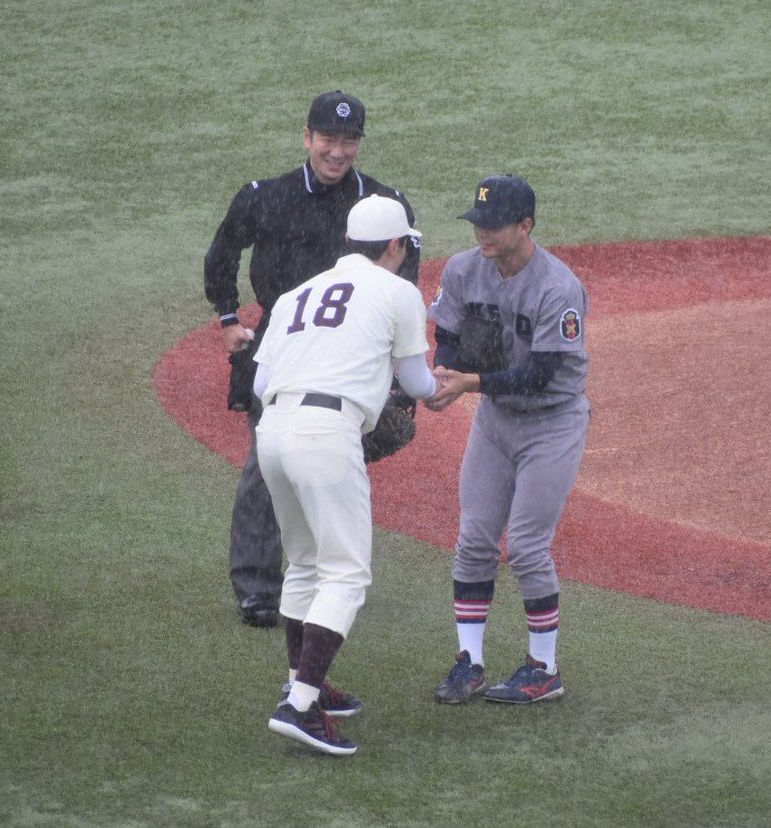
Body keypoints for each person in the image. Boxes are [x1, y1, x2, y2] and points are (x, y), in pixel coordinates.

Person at [203, 91, 420, 627]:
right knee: (265, 466)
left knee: (326, 459)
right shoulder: (265, 196)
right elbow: (221, 255)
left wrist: (392, 374)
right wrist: (228, 318)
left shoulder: (382, 205)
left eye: (349, 140)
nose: (337, 151)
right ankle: (259, 587)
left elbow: (403, 283)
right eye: (328, 138)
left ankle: (325, 570)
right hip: (281, 351)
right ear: (307, 137)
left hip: (351, 360)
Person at [255, 195, 439, 755]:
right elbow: (418, 383)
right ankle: (298, 706)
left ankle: (303, 686)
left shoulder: (296, 294)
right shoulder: (398, 292)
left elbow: (260, 385)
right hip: (327, 434)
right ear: (396, 245)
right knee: (346, 574)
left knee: (305, 563)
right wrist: (442, 388)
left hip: (272, 432)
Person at [425, 174, 590, 705]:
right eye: (478, 221)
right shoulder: (463, 269)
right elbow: (447, 333)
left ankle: (544, 668)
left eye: (494, 224)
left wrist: (468, 383)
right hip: (496, 420)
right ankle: (469, 661)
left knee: (525, 545)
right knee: (474, 539)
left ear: (525, 226)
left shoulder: (557, 288)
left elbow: (540, 375)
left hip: (552, 422)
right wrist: (443, 372)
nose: (483, 232)